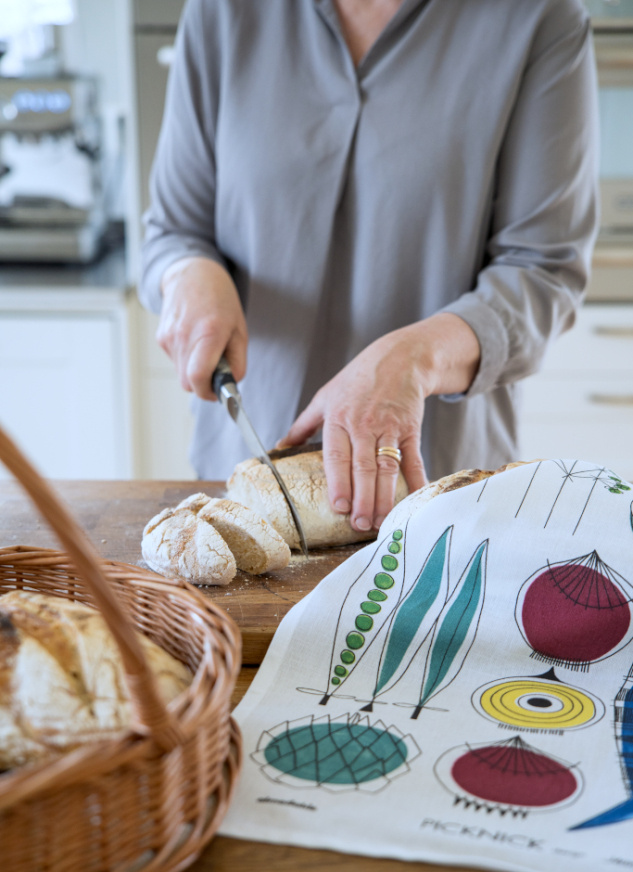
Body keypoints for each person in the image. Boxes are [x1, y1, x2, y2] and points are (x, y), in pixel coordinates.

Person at [139, 0, 599, 535]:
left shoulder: (541, 19)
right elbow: (174, 230)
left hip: (440, 488)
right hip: (248, 483)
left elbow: (543, 271)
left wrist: (415, 358)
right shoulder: (222, 13)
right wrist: (189, 272)